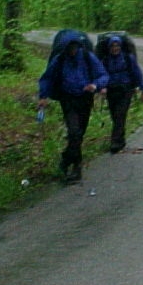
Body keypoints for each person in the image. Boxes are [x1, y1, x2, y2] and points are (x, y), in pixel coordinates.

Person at [38, 31, 109, 183]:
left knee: (79, 134)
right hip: (68, 99)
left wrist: (95, 85)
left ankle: (65, 159)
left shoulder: (87, 57)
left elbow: (103, 75)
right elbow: (47, 78)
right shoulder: (59, 60)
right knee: (74, 132)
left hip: (85, 99)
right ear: (65, 47)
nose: (73, 50)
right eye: (70, 47)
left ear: (78, 46)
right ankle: (77, 168)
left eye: (75, 46)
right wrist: (43, 96)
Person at [100, 35, 143, 153]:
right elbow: (101, 75)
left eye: (117, 46)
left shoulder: (128, 58)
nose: (115, 48)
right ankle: (121, 140)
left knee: (120, 115)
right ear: (109, 47)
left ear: (120, 46)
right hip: (111, 90)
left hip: (125, 90)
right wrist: (101, 88)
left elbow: (137, 73)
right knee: (115, 116)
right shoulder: (105, 60)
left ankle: (115, 142)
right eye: (112, 46)